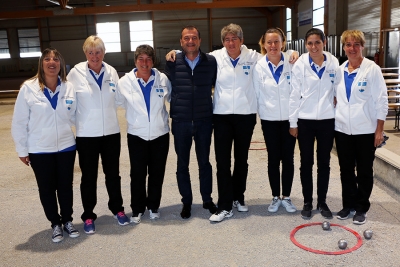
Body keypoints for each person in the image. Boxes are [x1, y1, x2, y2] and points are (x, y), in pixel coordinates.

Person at [166, 24, 298, 223]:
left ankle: (239, 197)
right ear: (222, 42)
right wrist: (175, 52)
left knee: (241, 161)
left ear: (242, 40)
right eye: (227, 39)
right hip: (221, 117)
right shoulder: (215, 58)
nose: (231, 43)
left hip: (245, 116)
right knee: (223, 162)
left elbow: (274, 54)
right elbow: (193, 53)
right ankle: (225, 204)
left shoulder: (253, 57)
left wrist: (292, 53)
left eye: (234, 38)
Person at [11, 48, 79, 243]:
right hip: (40, 149)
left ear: (61, 64)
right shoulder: (28, 88)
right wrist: (22, 150)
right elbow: (19, 122)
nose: (52, 62)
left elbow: (74, 116)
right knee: (47, 188)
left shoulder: (68, 87)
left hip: (66, 147)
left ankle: (67, 220)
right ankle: (55, 224)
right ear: (42, 63)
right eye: (47, 59)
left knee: (66, 187)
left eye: (56, 59)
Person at [67, 36, 129, 234]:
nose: (95, 56)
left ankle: (117, 209)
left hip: (111, 132)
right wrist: (80, 124)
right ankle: (88, 215)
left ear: (104, 52)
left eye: (98, 51)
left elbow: (119, 98)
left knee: (113, 175)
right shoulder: (75, 73)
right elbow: (68, 104)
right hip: (87, 136)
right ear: (85, 53)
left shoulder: (111, 71)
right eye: (91, 52)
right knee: (89, 177)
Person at [163, 25, 218, 220]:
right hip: (181, 121)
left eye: (194, 38)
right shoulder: (172, 61)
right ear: (181, 42)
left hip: (204, 120)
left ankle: (207, 199)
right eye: (186, 38)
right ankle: (186, 201)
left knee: (205, 163)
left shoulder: (211, 61)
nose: (190, 41)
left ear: (200, 40)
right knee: (182, 164)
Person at [334, 30, 388, 225]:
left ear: (362, 46)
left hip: (365, 130)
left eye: (356, 44)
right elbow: (335, 97)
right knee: (345, 170)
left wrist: (379, 130)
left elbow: (381, 101)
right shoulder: (339, 70)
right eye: (348, 44)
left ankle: (361, 207)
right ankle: (348, 205)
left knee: (364, 170)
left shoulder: (371, 69)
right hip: (342, 130)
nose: (352, 48)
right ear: (344, 47)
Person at [116, 45, 171, 224]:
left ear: (153, 61)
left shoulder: (163, 79)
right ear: (135, 61)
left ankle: (154, 206)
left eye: (148, 59)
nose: (144, 63)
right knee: (137, 174)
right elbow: (118, 102)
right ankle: (137, 209)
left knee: (157, 173)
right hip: (137, 135)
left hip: (160, 134)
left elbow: (172, 99)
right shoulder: (124, 82)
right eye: (141, 59)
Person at [289, 28, 339, 219]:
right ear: (305, 45)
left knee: (324, 163)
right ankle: (308, 201)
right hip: (306, 121)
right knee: (306, 163)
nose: (313, 46)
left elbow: (338, 88)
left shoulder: (333, 62)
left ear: (324, 43)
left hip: (327, 120)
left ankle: (322, 201)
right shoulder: (300, 64)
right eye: (310, 43)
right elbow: (294, 96)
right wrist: (293, 122)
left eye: (317, 42)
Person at [253, 28, 297, 214]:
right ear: (263, 44)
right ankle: (274, 196)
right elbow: (256, 93)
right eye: (269, 42)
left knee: (288, 158)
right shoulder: (258, 66)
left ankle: (286, 197)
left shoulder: (293, 62)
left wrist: (295, 120)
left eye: (276, 41)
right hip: (269, 120)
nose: (273, 46)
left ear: (283, 43)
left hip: (289, 120)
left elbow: (297, 93)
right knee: (273, 158)